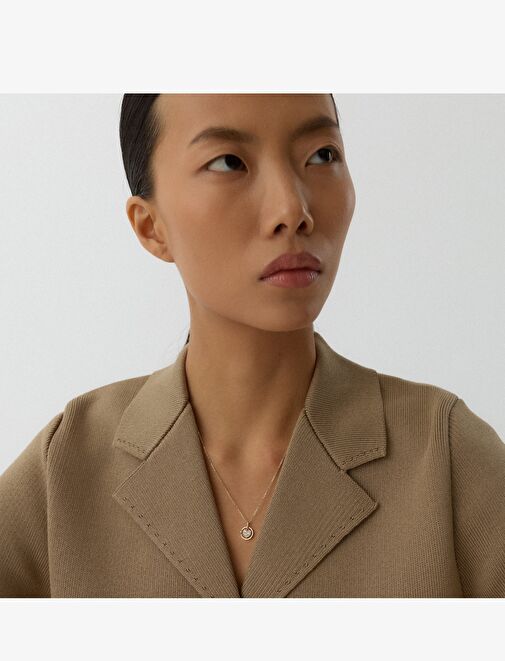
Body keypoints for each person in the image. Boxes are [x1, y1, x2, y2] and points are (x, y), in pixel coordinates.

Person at [1, 94, 504, 598]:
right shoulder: (67, 470)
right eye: (229, 162)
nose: (293, 210)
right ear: (151, 227)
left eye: (322, 155)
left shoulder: (445, 458)